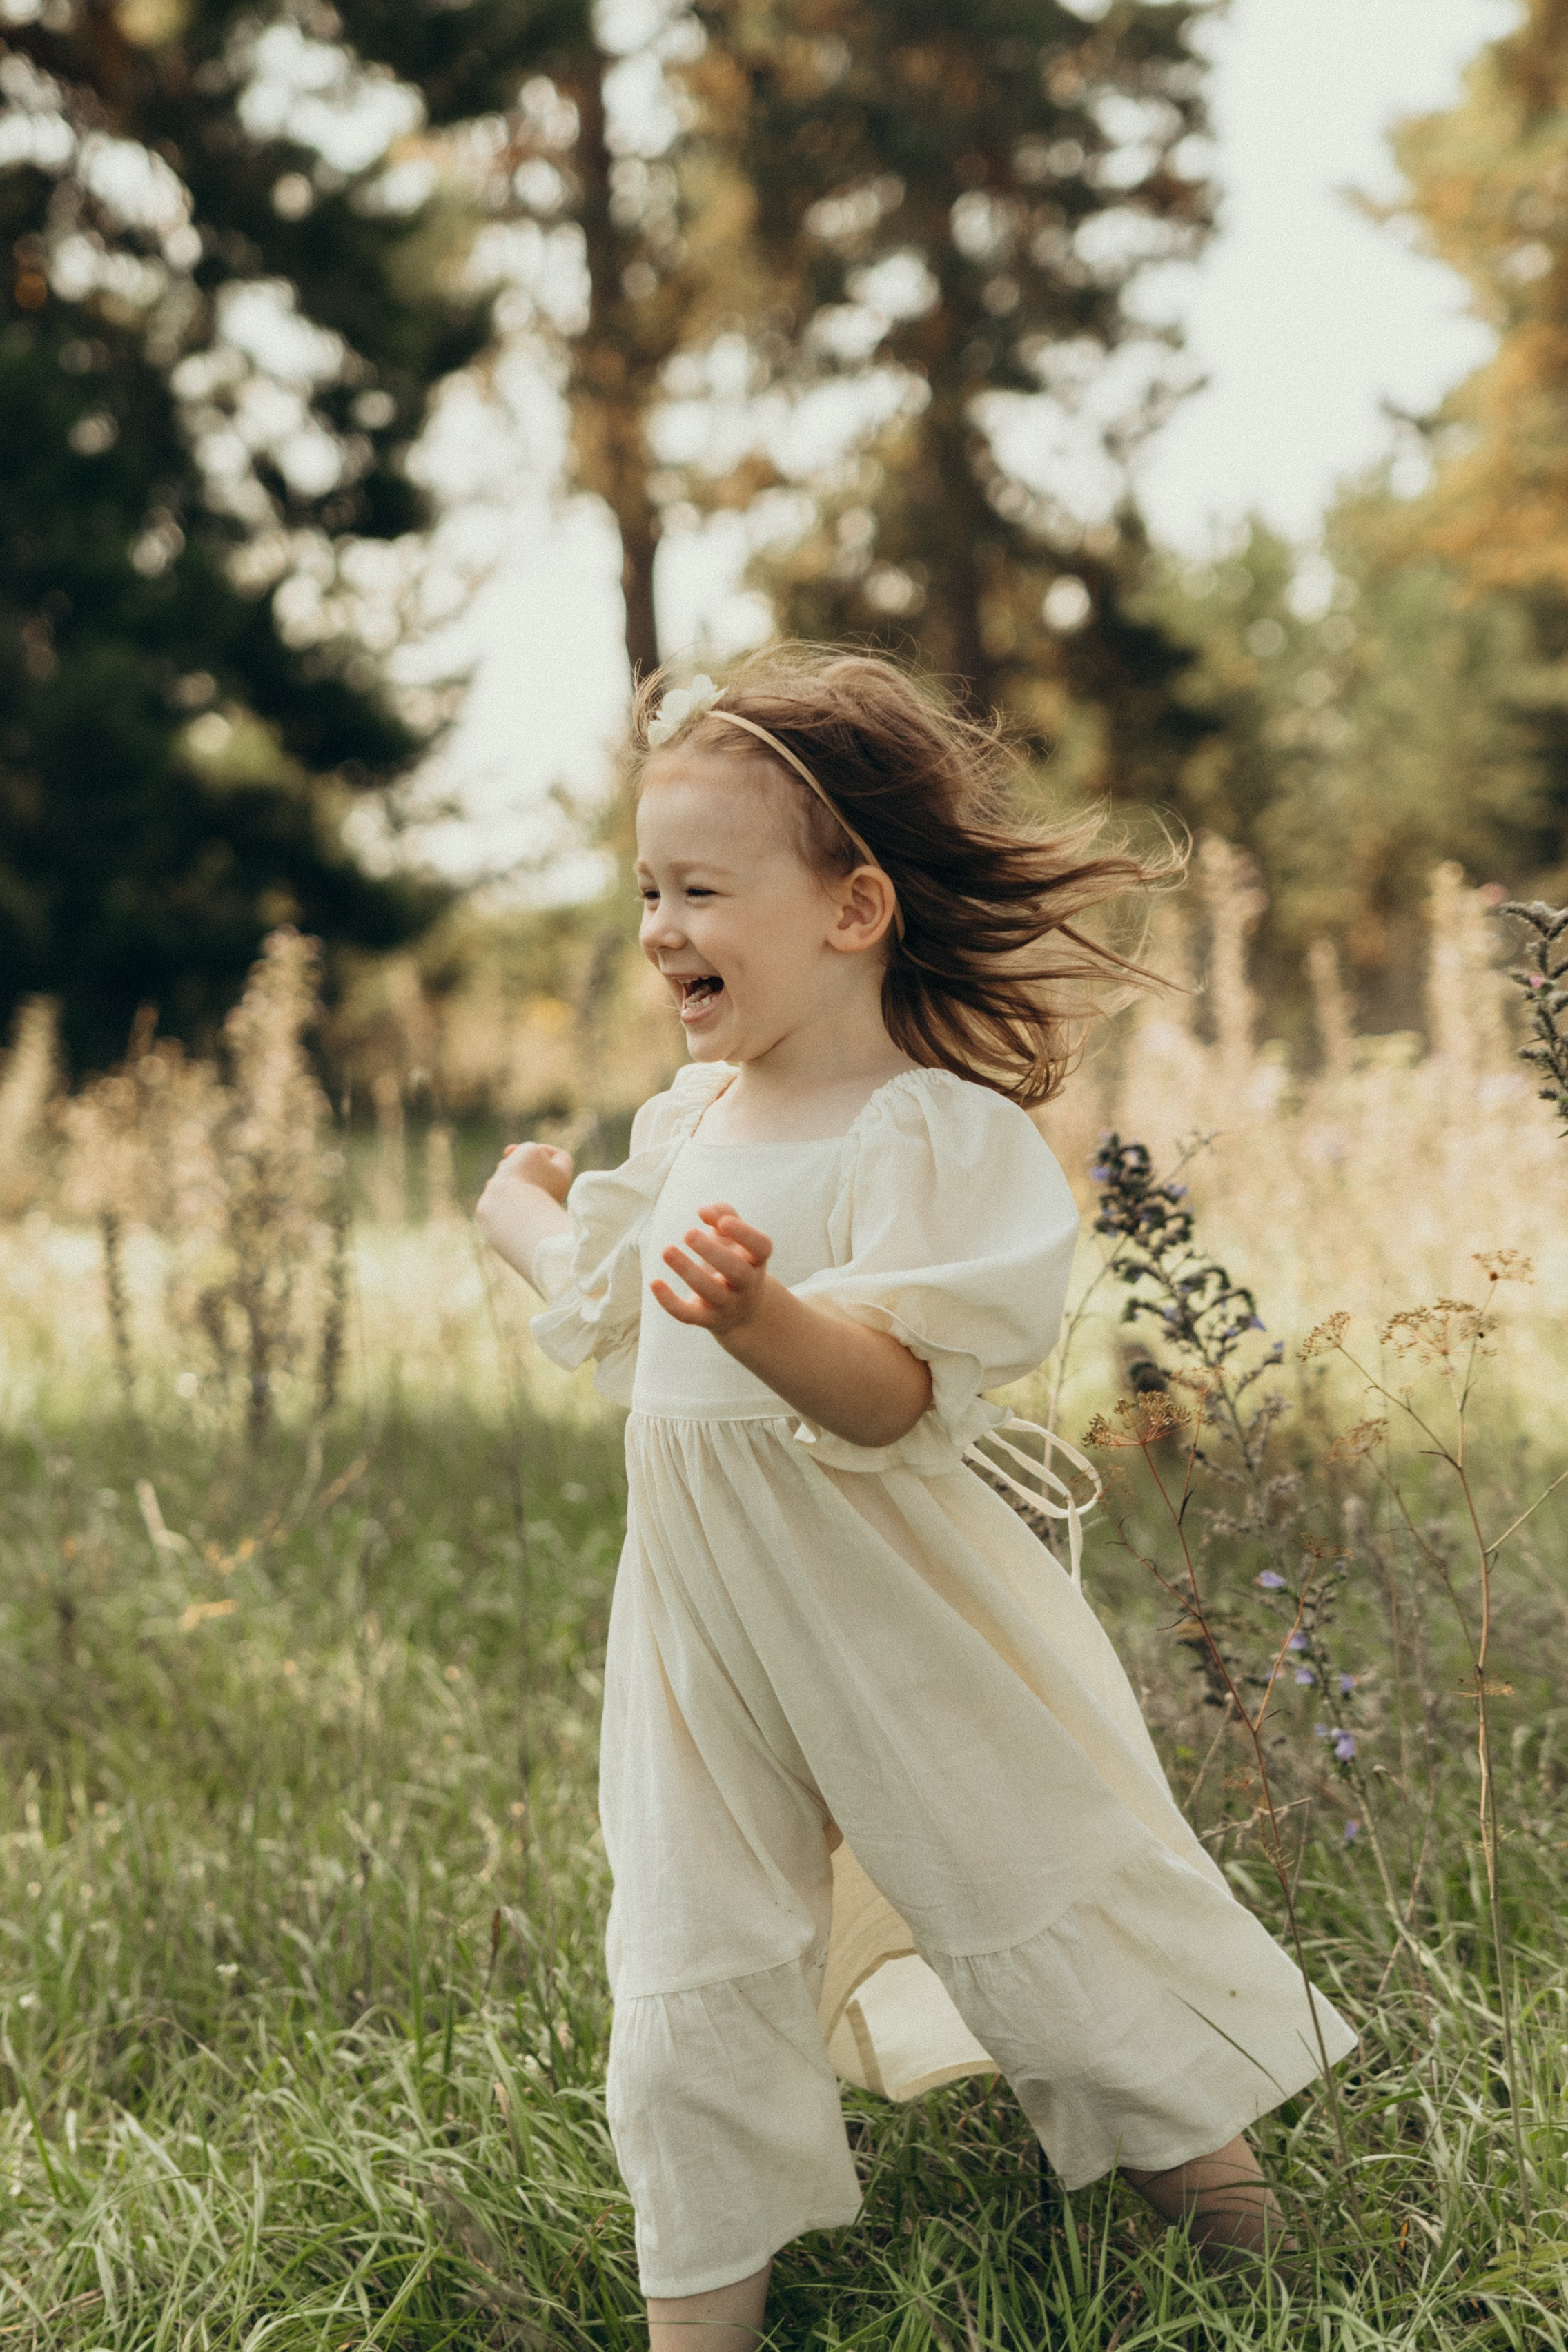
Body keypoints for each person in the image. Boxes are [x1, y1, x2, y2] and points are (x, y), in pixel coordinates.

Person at [477, 649, 1355, 2351]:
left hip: (889, 1612)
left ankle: (1257, 2256)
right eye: (647, 889)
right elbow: (609, 1291)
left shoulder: (922, 1136)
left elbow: (888, 1397)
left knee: (1035, 1903)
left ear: (851, 906)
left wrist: (762, 1317)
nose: (660, 928)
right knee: (684, 1959)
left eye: (702, 890)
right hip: (698, 1631)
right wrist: (518, 1213)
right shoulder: (690, 1124)